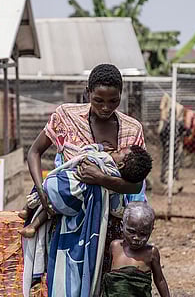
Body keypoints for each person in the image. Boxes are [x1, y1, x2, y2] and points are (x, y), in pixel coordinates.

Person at [24, 63, 147, 296]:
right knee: (66, 280)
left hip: (110, 224)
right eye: (98, 100)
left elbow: (136, 183)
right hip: (66, 220)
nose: (105, 107)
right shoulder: (66, 116)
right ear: (88, 91)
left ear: (121, 95)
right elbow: (34, 152)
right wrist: (43, 193)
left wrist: (100, 178)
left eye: (113, 101)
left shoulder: (132, 129)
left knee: (101, 286)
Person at [19, 144, 152, 238]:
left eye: (118, 152)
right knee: (52, 210)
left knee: (45, 196)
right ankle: (33, 227)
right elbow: (115, 207)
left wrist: (99, 147)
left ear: (121, 164)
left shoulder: (104, 159)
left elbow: (87, 151)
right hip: (74, 205)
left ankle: (26, 209)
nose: (114, 151)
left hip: (62, 184)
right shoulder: (116, 181)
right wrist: (120, 211)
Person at [102, 201, 170, 297]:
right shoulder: (115, 246)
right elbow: (107, 277)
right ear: (122, 226)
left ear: (151, 230)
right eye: (131, 231)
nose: (136, 238)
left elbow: (160, 280)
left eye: (143, 234)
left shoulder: (151, 253)